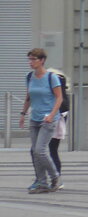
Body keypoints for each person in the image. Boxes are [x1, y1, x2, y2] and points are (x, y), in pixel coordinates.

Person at [18, 49, 63, 194]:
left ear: (42, 60)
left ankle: (55, 178)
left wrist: (51, 114)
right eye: (29, 59)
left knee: (40, 151)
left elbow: (59, 98)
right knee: (35, 151)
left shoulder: (52, 77)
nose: (30, 62)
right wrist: (23, 113)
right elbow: (29, 97)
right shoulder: (29, 76)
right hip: (34, 118)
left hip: (48, 120)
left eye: (33, 59)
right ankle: (42, 183)